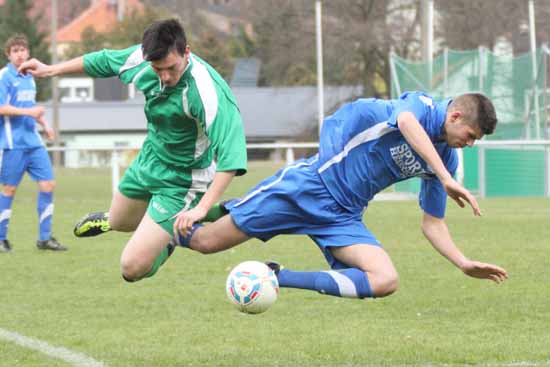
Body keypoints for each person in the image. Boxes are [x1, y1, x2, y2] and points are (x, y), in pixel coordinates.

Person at [175, 91, 508, 300]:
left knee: (384, 280)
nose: (470, 143)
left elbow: (433, 223)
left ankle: (275, 276)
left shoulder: (445, 158)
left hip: (343, 217)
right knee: (206, 242)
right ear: (454, 116)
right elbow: (406, 121)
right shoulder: (420, 105)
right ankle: (162, 223)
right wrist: (446, 177)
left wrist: (463, 263)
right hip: (311, 186)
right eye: (470, 135)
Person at [18, 19, 246, 280]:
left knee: (131, 268)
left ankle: (172, 236)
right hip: (149, 161)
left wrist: (201, 209)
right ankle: (123, 220)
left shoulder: (208, 93)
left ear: (187, 52)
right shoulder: (143, 57)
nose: (165, 76)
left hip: (183, 180)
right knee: (119, 223)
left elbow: (231, 156)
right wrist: (50, 70)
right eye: (157, 69)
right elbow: (103, 61)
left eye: (171, 68)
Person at [0, 34, 67, 253]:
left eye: (22, 50)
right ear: (8, 55)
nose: (20, 54)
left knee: (48, 184)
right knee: (9, 189)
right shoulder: (4, 77)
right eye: (15, 51)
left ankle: (45, 239)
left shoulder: (29, 76)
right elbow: (1, 108)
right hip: (13, 144)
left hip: (33, 142)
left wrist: (44, 123)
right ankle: (1, 239)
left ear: (28, 53)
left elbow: (30, 106)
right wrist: (30, 111)